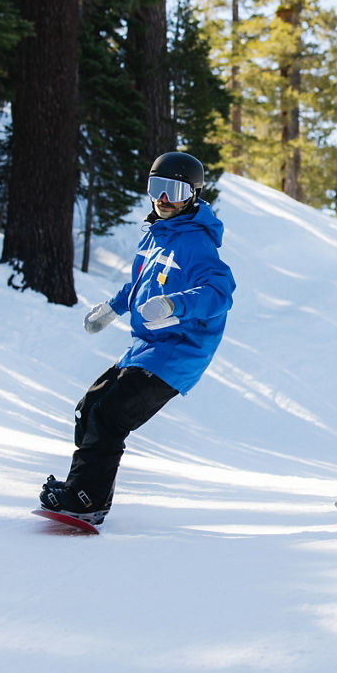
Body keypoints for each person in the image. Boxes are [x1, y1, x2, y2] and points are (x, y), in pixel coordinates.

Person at [39, 152, 235, 525]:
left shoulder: (198, 244)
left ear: (192, 195)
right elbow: (139, 284)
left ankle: (85, 499)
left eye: (173, 191)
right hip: (144, 348)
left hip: (178, 352)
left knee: (111, 416)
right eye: (156, 188)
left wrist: (174, 305)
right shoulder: (155, 236)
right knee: (89, 408)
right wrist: (112, 308)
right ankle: (85, 490)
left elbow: (220, 291)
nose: (163, 199)